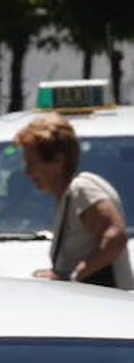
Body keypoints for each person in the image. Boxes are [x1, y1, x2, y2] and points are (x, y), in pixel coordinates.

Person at [15, 113, 132, 288]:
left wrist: (73, 277)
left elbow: (115, 237)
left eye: (32, 163)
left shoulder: (82, 188)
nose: (27, 172)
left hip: (108, 305)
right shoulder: (68, 197)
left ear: (58, 161)